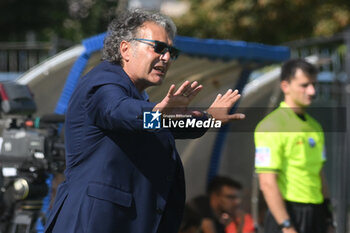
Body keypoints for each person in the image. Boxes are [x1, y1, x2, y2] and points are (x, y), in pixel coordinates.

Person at [44, 9, 245, 233]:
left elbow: (166, 124)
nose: (166, 57)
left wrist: (208, 118)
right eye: (158, 48)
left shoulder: (140, 98)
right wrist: (158, 112)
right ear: (125, 49)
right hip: (94, 223)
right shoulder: (102, 83)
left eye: (171, 51)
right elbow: (120, 111)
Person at [254, 59, 335, 233]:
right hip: (288, 214)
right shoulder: (271, 126)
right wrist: (286, 226)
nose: (312, 91)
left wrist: (328, 219)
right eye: (304, 85)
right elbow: (267, 182)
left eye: (314, 84)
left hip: (317, 213)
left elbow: (319, 174)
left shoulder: (315, 127)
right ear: (285, 86)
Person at [188, 176, 253, 233]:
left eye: (237, 198)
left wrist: (240, 223)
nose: (237, 202)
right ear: (215, 196)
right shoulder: (200, 204)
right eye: (230, 197)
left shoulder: (218, 224)